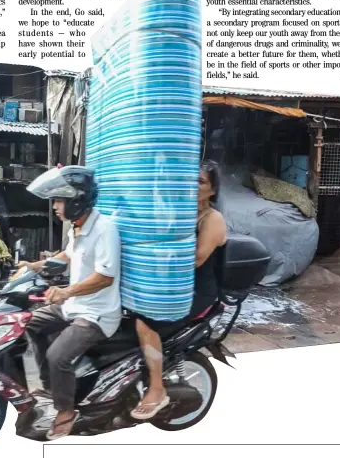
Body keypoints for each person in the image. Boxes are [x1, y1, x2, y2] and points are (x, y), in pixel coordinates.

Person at [20, 165, 122, 440]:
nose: (55, 206)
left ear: (77, 200)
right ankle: (49, 386)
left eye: (59, 200)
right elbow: (66, 256)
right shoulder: (77, 228)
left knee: (58, 356)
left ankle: (67, 410)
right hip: (75, 306)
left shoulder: (104, 229)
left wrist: (66, 292)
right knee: (28, 323)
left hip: (98, 314)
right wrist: (32, 266)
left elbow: (105, 277)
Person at [129, 159, 227, 420]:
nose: (192, 186)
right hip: (174, 288)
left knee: (144, 323)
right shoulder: (181, 213)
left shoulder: (212, 219)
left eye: (200, 182)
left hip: (198, 293)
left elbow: (196, 259)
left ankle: (157, 390)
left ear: (213, 190)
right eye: (188, 181)